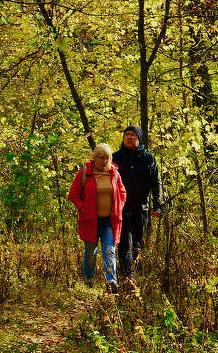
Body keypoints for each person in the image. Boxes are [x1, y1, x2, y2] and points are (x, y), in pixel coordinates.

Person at [68, 143, 126, 294]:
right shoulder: (85, 173)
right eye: (100, 157)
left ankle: (111, 282)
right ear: (94, 157)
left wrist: (118, 207)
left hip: (109, 221)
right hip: (90, 220)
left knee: (109, 250)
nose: (103, 161)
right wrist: (83, 208)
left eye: (107, 158)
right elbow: (73, 194)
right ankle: (89, 279)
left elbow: (122, 192)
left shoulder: (114, 173)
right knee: (90, 253)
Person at [112, 126, 162, 281]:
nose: (129, 137)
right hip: (121, 208)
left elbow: (156, 183)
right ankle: (127, 277)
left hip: (141, 209)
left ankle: (133, 274)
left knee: (137, 244)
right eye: (127, 134)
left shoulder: (149, 159)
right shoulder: (115, 158)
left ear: (139, 138)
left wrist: (157, 205)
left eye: (133, 135)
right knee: (124, 244)